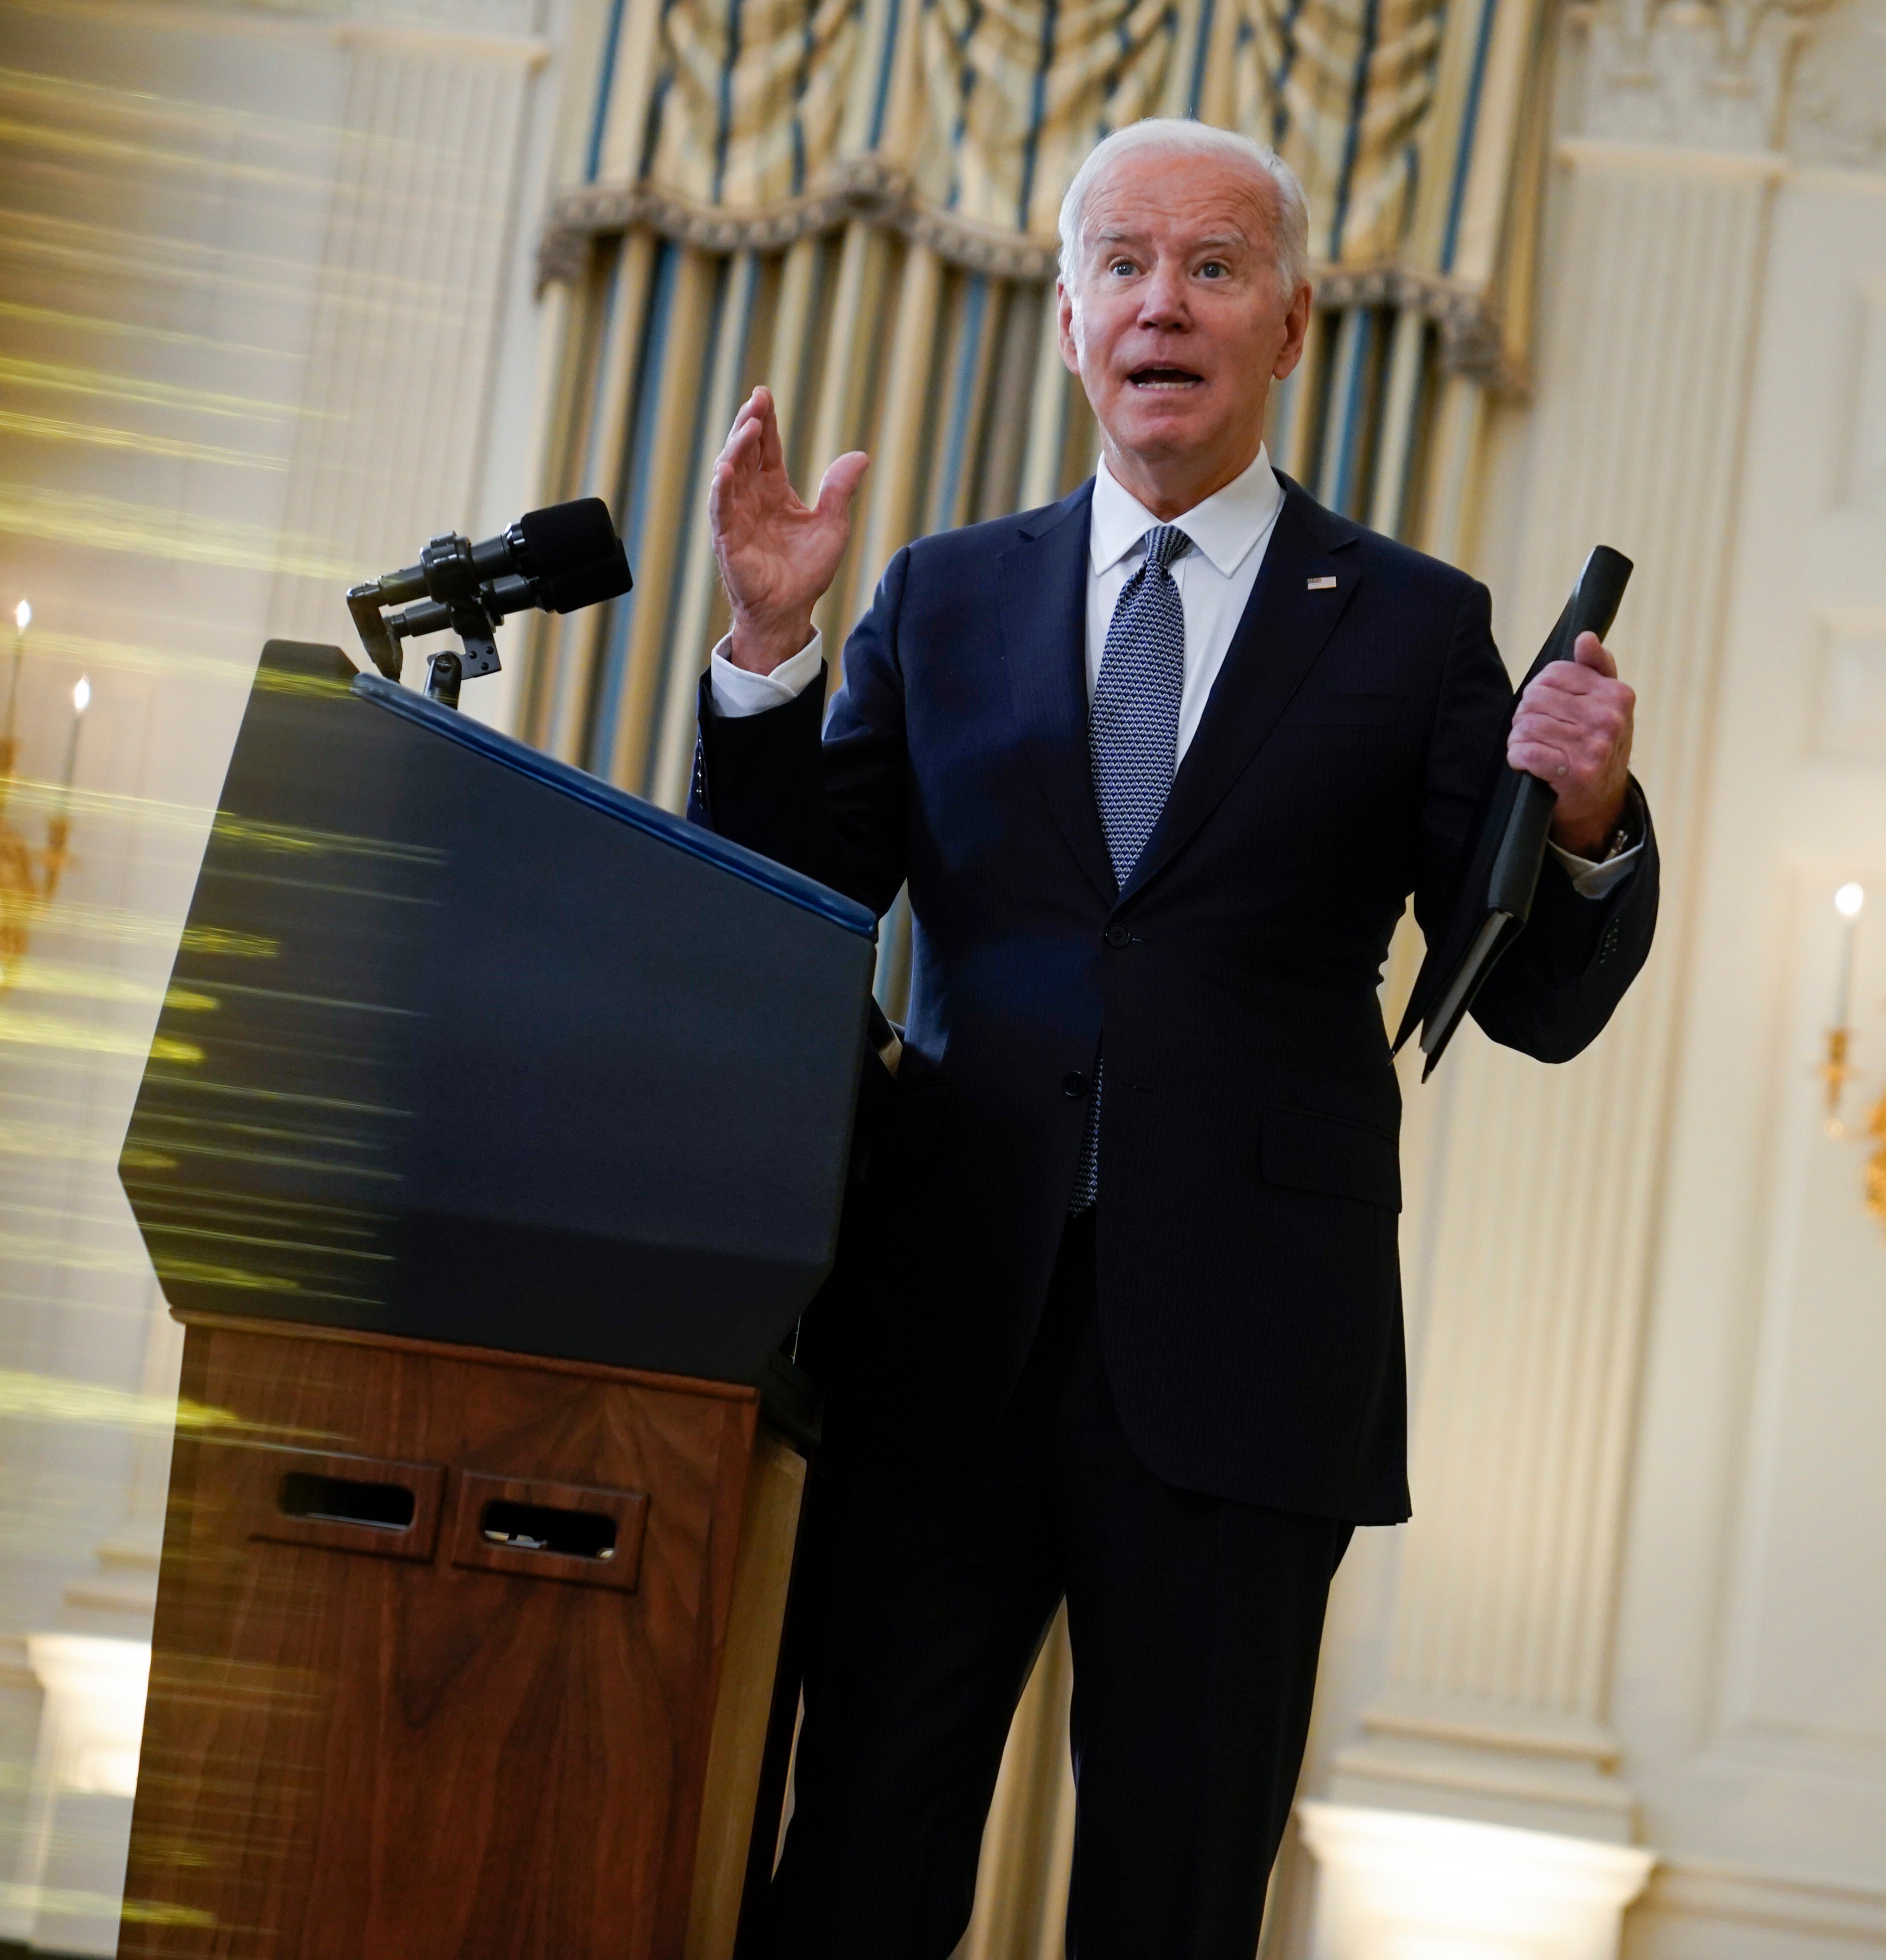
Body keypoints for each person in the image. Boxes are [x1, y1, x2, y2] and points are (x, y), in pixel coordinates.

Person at [691, 117, 1659, 1960]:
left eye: (1216, 268)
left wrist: (1591, 822)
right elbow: (777, 934)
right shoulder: (940, 599)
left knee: (1176, 1895)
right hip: (941, 1331)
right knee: (857, 1869)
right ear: (1068, 325)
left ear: (1290, 330)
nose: (1166, 303)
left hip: (1242, 1359)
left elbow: (1522, 997)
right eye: (1124, 265)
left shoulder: (1410, 627)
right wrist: (763, 654)